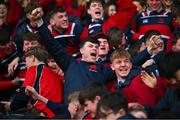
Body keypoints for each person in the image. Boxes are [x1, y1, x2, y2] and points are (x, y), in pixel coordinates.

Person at [30, 7, 116, 103]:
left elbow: (126, 68)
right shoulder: (70, 64)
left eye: (96, 47)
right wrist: (40, 23)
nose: (94, 48)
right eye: (91, 46)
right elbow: (52, 45)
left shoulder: (103, 69)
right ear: (81, 50)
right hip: (72, 113)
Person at [7, 47, 63, 118]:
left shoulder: (34, 69)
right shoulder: (54, 74)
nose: (26, 65)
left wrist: (11, 106)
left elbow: (23, 95)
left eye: (26, 61)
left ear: (32, 58)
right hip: (56, 114)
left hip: (43, 113)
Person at [129, 52, 180, 118]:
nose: (173, 82)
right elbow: (159, 110)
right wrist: (143, 108)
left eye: (174, 76)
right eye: (169, 78)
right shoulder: (173, 91)